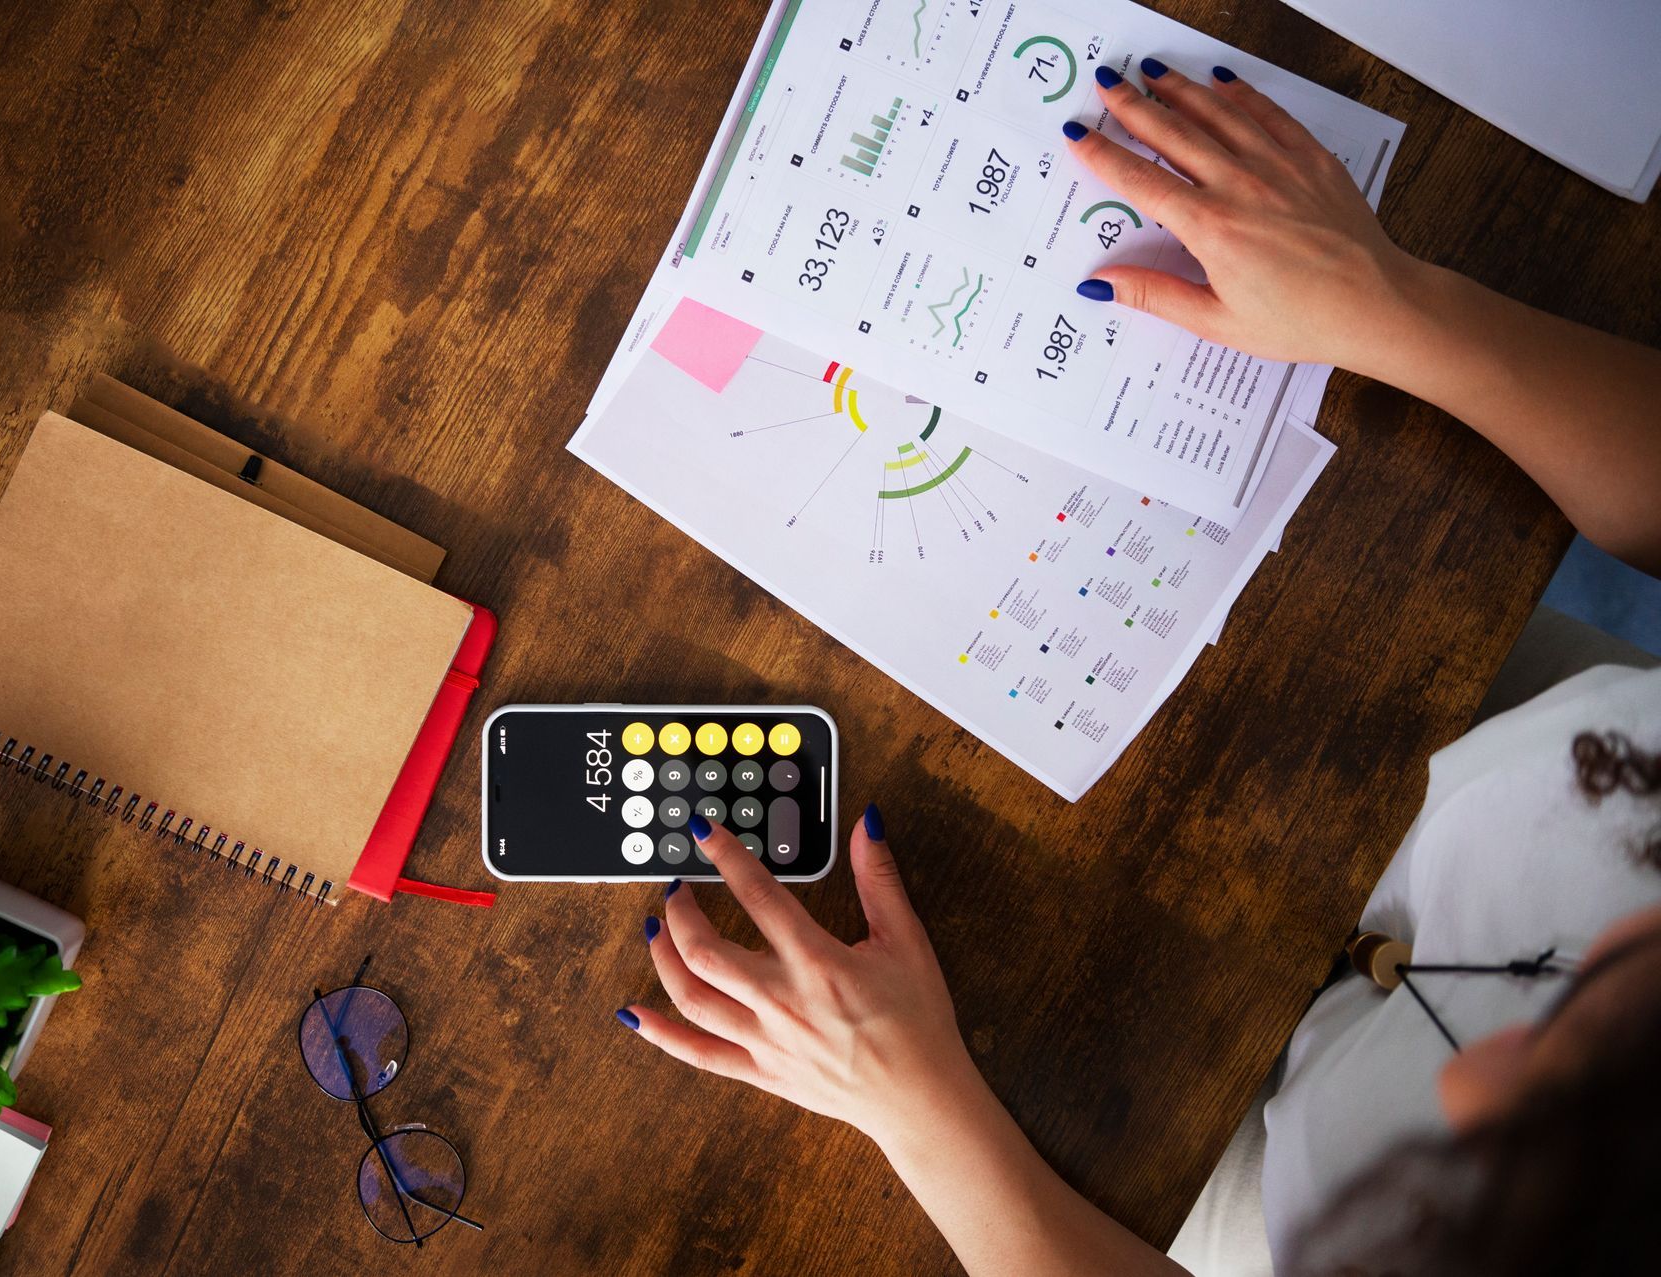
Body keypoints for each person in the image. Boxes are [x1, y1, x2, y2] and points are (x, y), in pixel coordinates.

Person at [613, 59, 1661, 1276]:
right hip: (1494, 718)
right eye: (1615, 1016)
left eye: (1533, 1165)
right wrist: (1390, 301)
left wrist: (916, 1108)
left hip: (1258, 1194)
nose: (1473, 1083)